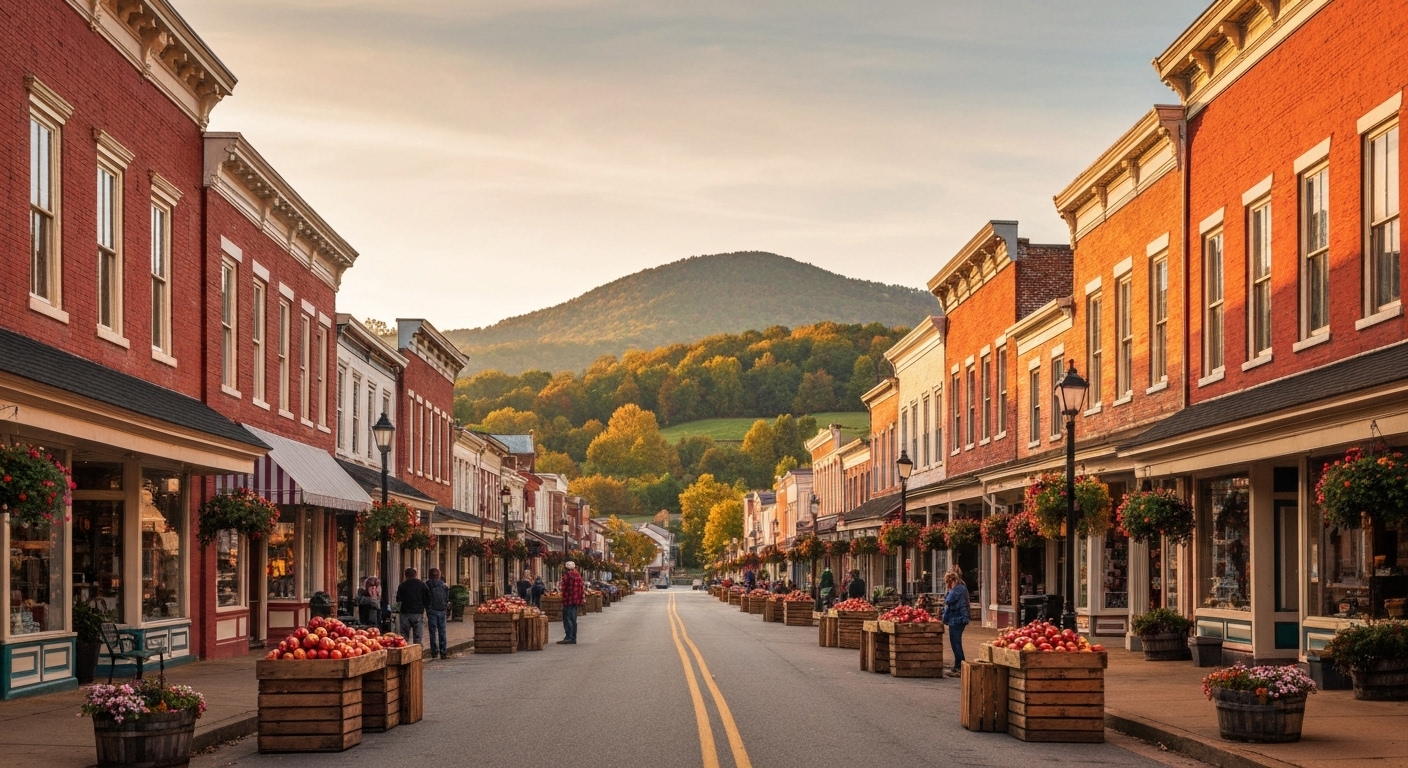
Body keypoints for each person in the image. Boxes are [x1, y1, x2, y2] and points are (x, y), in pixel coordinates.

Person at [942, 571, 970, 678]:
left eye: (949, 582)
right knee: (955, 642)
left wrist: (949, 590)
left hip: (958, 619)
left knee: (956, 643)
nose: (948, 585)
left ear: (953, 580)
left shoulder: (958, 589)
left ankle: (960, 666)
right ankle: (958, 665)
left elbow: (948, 600)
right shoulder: (961, 587)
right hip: (957, 618)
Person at [396, 567, 430, 645]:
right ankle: (417, 652)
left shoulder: (402, 585)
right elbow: (427, 599)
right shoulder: (422, 584)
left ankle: (404, 652)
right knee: (418, 636)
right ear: (415, 575)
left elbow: (398, 599)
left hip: (405, 612)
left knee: (404, 636)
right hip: (418, 612)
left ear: (405, 575)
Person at [558, 561, 585, 645]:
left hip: (568, 600)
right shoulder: (578, 576)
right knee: (573, 619)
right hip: (576, 600)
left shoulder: (568, 576)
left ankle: (569, 637)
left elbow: (564, 588)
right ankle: (573, 637)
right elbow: (581, 589)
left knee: (567, 619)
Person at [425, 568, 449, 659]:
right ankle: (443, 652)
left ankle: (434, 652)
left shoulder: (427, 585)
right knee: (442, 631)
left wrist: (428, 607)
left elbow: (425, 597)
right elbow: (447, 598)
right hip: (441, 610)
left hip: (431, 610)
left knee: (432, 632)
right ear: (439, 575)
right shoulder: (444, 585)